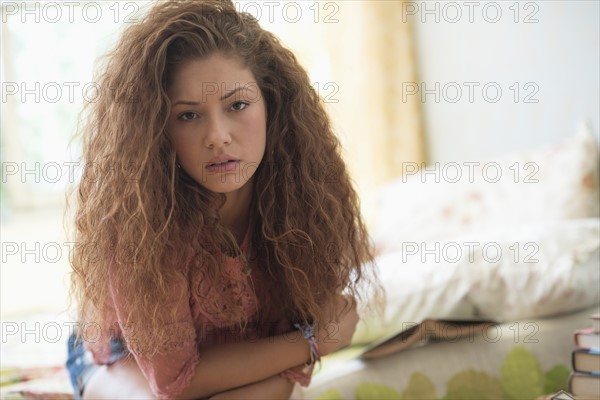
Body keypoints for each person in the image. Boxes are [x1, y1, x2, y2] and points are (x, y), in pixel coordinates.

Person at [66, 0, 374, 398]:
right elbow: (175, 381)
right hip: (121, 351)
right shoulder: (141, 224)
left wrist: (298, 349)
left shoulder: (304, 202)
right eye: (189, 115)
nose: (217, 136)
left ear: (272, 105)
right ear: (158, 130)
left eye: (238, 105)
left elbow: (294, 345)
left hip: (237, 350)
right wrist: (312, 343)